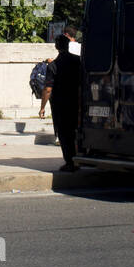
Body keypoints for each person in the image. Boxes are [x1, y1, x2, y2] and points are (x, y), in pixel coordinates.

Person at [39, 35, 81, 172]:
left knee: (64, 133)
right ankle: (78, 159)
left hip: (61, 105)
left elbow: (48, 89)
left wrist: (42, 107)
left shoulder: (53, 65)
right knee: (75, 131)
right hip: (76, 102)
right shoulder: (77, 61)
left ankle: (70, 161)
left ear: (57, 47)